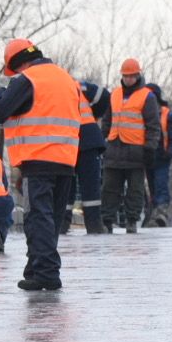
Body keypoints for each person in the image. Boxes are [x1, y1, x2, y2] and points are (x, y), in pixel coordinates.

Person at [0, 38, 81, 290]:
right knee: (49, 217)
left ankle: (48, 274)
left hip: (39, 159)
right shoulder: (66, 79)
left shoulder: (28, 79)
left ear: (19, 63)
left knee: (37, 217)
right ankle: (35, 270)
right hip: (66, 159)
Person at [101, 57, 159, 233]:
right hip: (114, 149)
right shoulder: (115, 94)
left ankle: (132, 221)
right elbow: (107, 120)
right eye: (126, 76)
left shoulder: (147, 97)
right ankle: (107, 221)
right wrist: (103, 140)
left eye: (132, 76)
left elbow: (153, 125)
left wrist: (150, 148)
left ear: (137, 75)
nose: (128, 79)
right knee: (110, 189)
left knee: (135, 190)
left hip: (136, 151)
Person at [64, 78, 111, 234]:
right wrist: (94, 114)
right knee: (90, 186)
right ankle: (94, 225)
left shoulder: (51, 88)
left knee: (66, 184)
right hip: (88, 137)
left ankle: (62, 224)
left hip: (66, 139)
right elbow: (104, 95)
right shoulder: (79, 86)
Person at [144, 95, 172, 227]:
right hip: (148, 157)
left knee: (161, 185)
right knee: (152, 188)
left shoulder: (168, 115)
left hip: (161, 158)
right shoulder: (144, 113)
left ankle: (160, 214)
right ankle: (153, 215)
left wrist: (169, 153)